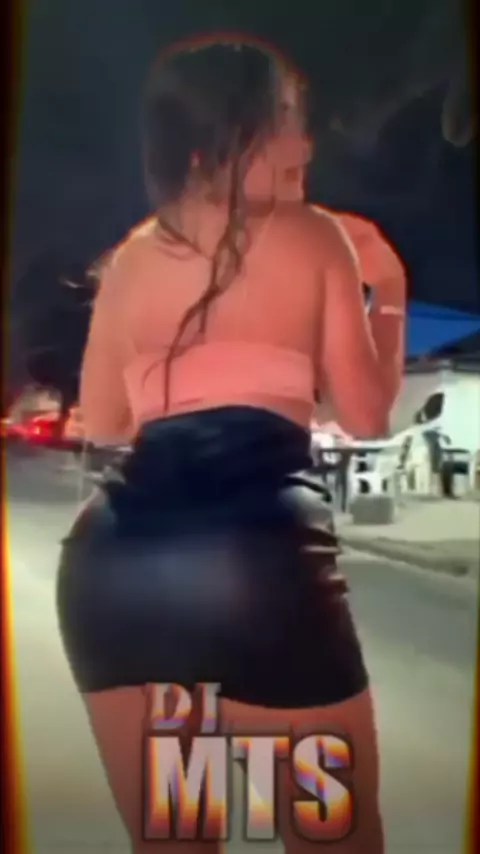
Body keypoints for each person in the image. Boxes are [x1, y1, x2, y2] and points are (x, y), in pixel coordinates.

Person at [56, 38, 405, 854]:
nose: (305, 142)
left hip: (120, 573)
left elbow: (105, 420)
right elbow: (363, 413)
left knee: (181, 835)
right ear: (232, 129)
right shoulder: (314, 235)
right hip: (255, 567)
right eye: (287, 117)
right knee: (335, 839)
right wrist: (387, 289)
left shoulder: (131, 259)